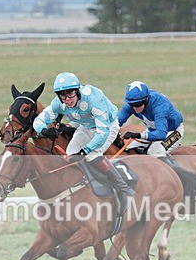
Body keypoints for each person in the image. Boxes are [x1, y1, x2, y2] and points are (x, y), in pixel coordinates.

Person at [32, 71, 134, 216]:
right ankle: (85, 186)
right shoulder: (58, 103)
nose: (67, 99)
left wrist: (86, 149)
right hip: (86, 126)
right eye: (62, 95)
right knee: (71, 156)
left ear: (77, 91)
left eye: (70, 94)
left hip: (107, 126)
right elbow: (39, 121)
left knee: (92, 155)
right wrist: (44, 130)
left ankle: (123, 189)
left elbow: (102, 133)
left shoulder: (93, 99)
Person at [118, 81, 185, 162]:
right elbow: (116, 123)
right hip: (153, 130)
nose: (135, 108)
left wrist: (138, 135)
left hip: (172, 131)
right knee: (129, 150)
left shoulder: (159, 105)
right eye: (132, 105)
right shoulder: (130, 106)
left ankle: (176, 173)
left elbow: (161, 134)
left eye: (138, 104)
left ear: (146, 99)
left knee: (155, 151)